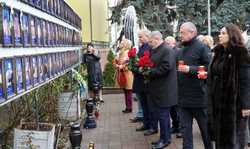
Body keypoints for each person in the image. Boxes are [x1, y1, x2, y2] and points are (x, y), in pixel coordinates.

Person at [207, 23, 250, 149]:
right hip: (217, 101)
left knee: (233, 140)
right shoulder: (219, 52)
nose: (220, 35)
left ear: (232, 35)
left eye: (223, 33)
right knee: (220, 137)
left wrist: (246, 105)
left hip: (234, 104)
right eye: (220, 33)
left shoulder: (241, 53)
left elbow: (246, 81)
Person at [177, 22, 212, 149]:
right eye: (180, 32)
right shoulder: (182, 49)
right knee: (185, 132)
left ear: (192, 32)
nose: (180, 34)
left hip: (199, 98)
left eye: (182, 32)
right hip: (183, 100)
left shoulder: (202, 48)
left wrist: (191, 69)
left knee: (205, 131)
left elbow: (209, 70)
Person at [146, 31, 177, 149]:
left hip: (165, 89)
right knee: (160, 116)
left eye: (150, 41)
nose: (149, 43)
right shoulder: (157, 50)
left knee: (164, 116)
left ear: (157, 39)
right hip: (158, 88)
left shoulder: (167, 50)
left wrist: (150, 72)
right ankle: (162, 138)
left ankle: (166, 140)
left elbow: (166, 67)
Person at [130, 30, 153, 132]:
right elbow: (137, 61)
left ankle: (151, 125)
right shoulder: (143, 47)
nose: (139, 39)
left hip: (145, 81)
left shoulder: (149, 47)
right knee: (143, 105)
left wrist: (138, 67)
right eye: (139, 37)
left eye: (141, 37)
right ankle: (146, 123)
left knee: (148, 106)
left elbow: (147, 63)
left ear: (147, 36)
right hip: (140, 80)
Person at [165, 36, 182, 137]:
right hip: (169, 84)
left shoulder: (178, 52)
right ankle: (175, 126)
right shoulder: (168, 52)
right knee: (172, 107)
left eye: (168, 43)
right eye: (165, 42)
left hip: (177, 83)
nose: (166, 44)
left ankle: (180, 128)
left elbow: (180, 66)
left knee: (177, 108)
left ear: (173, 43)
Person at [114, 38, 134, 113]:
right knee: (125, 91)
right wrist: (116, 63)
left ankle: (129, 107)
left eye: (122, 42)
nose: (120, 43)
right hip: (122, 74)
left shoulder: (128, 52)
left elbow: (129, 63)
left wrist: (122, 66)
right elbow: (119, 62)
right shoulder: (121, 52)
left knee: (128, 91)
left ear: (125, 45)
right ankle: (127, 107)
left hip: (128, 74)